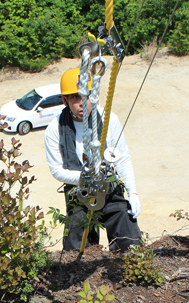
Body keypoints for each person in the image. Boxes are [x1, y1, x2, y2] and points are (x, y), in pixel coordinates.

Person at [44, 67, 141, 252]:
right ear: (65, 100)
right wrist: (84, 178)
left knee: (129, 235)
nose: (82, 103)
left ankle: (131, 269)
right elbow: (56, 170)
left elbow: (122, 158)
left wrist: (133, 193)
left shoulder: (109, 119)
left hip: (109, 190)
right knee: (74, 246)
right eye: (75, 97)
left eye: (86, 96)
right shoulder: (55, 128)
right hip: (79, 195)